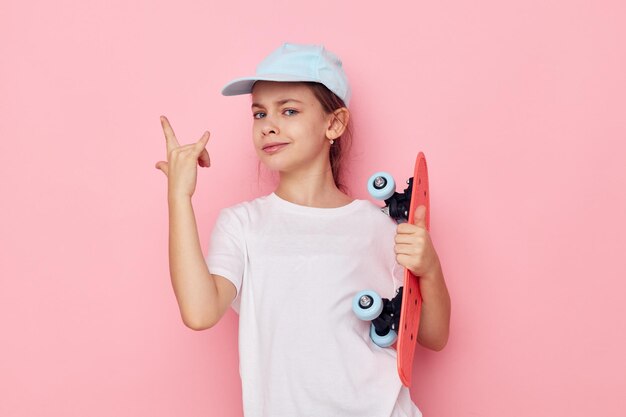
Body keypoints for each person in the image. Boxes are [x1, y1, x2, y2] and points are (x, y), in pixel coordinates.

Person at [155, 43, 451, 417]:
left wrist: (430, 268)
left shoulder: (379, 225)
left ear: (334, 123)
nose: (269, 125)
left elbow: (433, 336)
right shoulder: (243, 224)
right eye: (259, 113)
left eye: (289, 110)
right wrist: (179, 198)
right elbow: (199, 312)